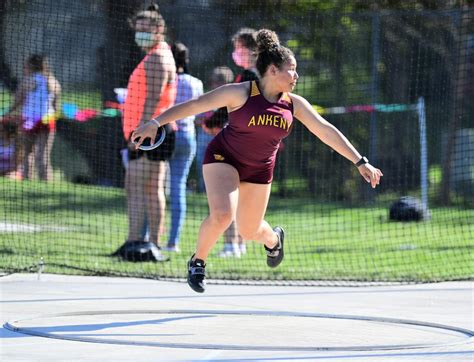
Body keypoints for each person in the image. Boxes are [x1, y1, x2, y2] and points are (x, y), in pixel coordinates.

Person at [131, 29, 383, 292]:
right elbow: (196, 105)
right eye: (292, 69)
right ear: (273, 70)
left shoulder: (294, 104)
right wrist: (155, 122)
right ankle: (198, 262)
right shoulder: (241, 92)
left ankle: (274, 240)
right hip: (223, 158)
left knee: (249, 230)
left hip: (259, 169)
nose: (296, 76)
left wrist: (360, 161)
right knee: (223, 214)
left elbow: (325, 130)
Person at [113, 4, 176, 262]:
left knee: (139, 186)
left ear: (159, 29)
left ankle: (141, 243)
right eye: (137, 29)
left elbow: (153, 98)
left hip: (153, 133)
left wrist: (140, 134)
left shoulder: (159, 58)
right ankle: (143, 243)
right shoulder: (154, 55)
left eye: (145, 29)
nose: (140, 34)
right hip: (153, 131)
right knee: (148, 187)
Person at [216, 27, 259, 258]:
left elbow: (230, 106)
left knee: (227, 194)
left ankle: (231, 244)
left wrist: (213, 119)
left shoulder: (249, 78)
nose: (236, 53)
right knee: (243, 195)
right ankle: (240, 244)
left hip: (239, 143)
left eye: (239, 48)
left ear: (252, 50)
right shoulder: (266, 77)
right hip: (254, 145)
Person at [165, 42, 204, 253]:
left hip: (166, 138)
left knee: (157, 188)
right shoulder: (195, 83)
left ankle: (149, 236)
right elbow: (200, 113)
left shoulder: (166, 81)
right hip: (188, 137)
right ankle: (173, 242)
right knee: (178, 188)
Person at [4, 54, 61, 181]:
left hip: (29, 120)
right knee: (43, 154)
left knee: (27, 153)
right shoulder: (54, 82)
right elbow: (57, 108)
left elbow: (16, 102)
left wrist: (5, 113)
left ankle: (27, 180)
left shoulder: (27, 81)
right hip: (47, 120)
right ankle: (46, 183)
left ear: (30, 66)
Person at [195, 66, 234, 193]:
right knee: (203, 162)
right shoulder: (208, 97)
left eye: (217, 81)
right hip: (205, 137)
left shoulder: (232, 98)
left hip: (223, 138)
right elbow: (197, 119)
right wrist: (205, 121)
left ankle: (222, 190)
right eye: (213, 81)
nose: (213, 84)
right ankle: (204, 189)